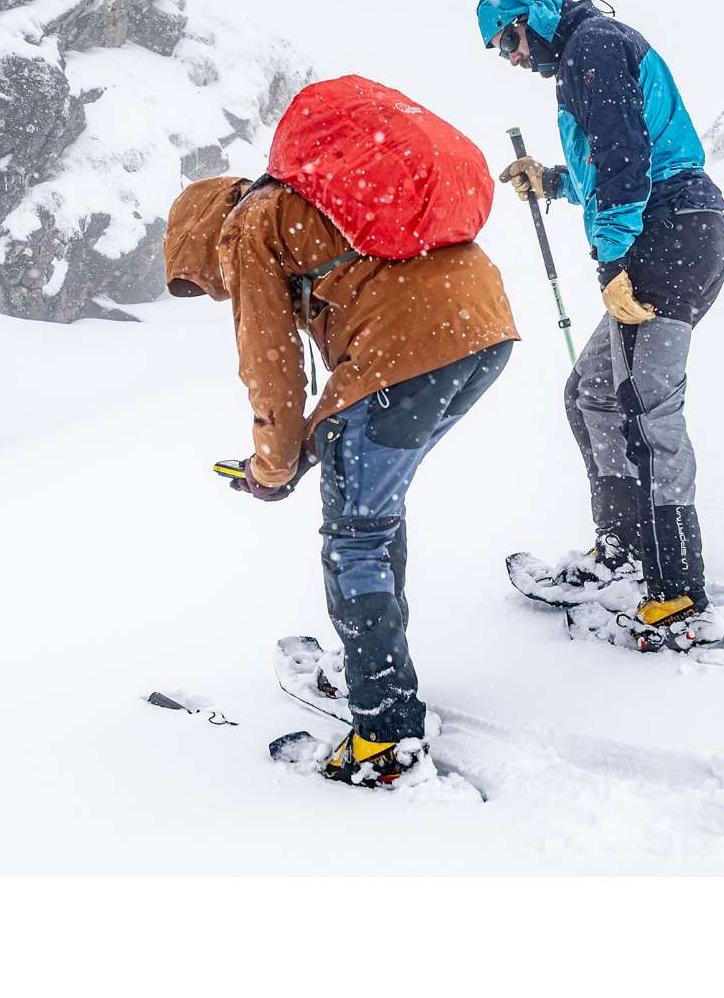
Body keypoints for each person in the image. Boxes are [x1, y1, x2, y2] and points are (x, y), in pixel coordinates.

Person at [163, 172, 517, 787]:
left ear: (200, 232)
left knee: (356, 538)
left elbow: (271, 365)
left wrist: (272, 469)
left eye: (205, 279)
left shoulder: (244, 228)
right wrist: (306, 452)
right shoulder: (305, 198)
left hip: (408, 346)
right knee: (373, 513)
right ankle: (372, 670)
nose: (216, 288)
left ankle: (385, 736)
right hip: (480, 327)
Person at [480, 0, 724, 652]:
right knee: (592, 391)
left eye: (508, 41)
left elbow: (626, 161)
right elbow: (608, 166)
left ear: (532, 17)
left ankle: (680, 593)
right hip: (670, 233)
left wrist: (612, 260)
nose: (512, 59)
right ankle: (622, 547)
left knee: (646, 409)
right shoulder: (588, 54)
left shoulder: (592, 47)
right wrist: (554, 183)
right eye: (500, 52)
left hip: (668, 237)